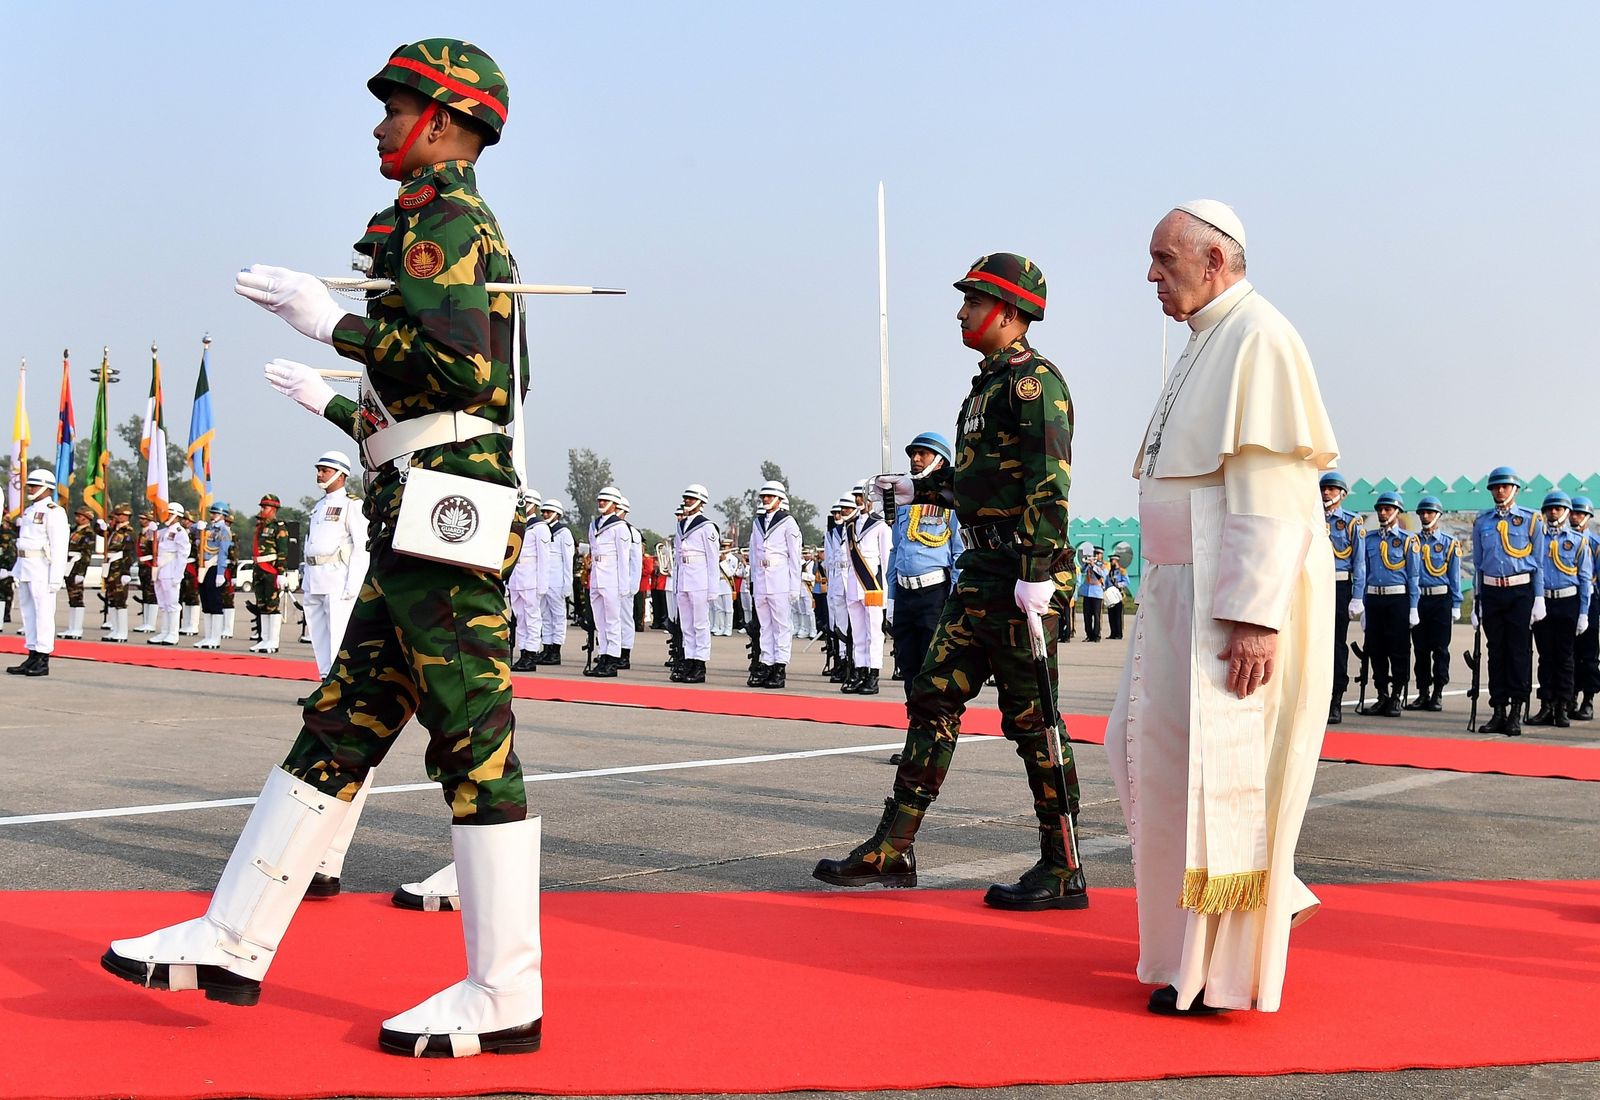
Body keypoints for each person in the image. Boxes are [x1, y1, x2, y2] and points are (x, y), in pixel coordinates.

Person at [102, 39, 545, 1059]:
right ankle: (232, 935)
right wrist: (347, 399)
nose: (380, 126)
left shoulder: (450, 222)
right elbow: (422, 392)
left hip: (447, 503)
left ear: (444, 119)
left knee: (471, 731)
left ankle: (503, 988)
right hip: (413, 493)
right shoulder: (425, 224)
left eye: (396, 109)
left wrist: (334, 327)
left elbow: (465, 377)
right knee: (341, 721)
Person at [1107, 201, 1338, 1015]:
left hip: (1226, 602)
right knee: (1135, 756)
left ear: (1217, 261)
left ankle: (1212, 976)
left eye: (1165, 260)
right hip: (1177, 592)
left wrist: (1252, 615)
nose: (1151, 276)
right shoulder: (1208, 339)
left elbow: (1268, 494)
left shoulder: (1259, 337)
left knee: (1218, 782)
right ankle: (1233, 923)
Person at [815, 252, 1085, 911]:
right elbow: (975, 483)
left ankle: (1063, 866)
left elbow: (1048, 488)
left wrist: (1039, 576)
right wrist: (917, 489)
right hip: (979, 575)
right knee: (933, 693)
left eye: (972, 301)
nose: (960, 311)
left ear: (1011, 313)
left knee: (1035, 723)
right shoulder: (985, 389)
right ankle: (894, 846)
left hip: (1021, 575)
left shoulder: (1035, 385)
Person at [886, 431, 963, 695]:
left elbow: (958, 556)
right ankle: (915, 720)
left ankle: (933, 724)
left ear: (940, 461)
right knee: (908, 664)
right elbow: (896, 551)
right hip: (906, 594)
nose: (915, 459)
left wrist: (953, 601)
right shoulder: (904, 499)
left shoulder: (951, 501)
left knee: (933, 665)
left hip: (934, 593)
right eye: (913, 454)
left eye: (923, 454)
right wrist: (892, 599)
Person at [1471, 467, 1545, 736]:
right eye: (1495, 487)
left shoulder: (1531, 520)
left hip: (1520, 591)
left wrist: (1539, 598)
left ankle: (1516, 710)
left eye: (1504, 486)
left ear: (1515, 490)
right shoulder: (1482, 522)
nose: (1499, 491)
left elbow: (1539, 564)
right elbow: (1478, 565)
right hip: (1492, 591)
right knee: (1495, 653)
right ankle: (1498, 710)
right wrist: (1477, 601)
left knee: (1518, 652)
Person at [301, 451, 370, 679]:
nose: (319, 475)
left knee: (337, 636)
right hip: (314, 577)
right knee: (318, 635)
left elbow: (362, 546)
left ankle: (337, 685)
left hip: (337, 580)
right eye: (318, 470)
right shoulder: (318, 506)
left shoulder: (352, 505)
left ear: (341, 475)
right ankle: (324, 681)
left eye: (325, 471)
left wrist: (354, 584)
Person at [1527, 491, 1591, 728]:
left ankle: (1563, 706)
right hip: (1542, 602)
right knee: (1545, 657)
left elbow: (1585, 579)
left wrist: (1583, 612)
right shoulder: (1535, 538)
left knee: (1565, 658)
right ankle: (1546, 705)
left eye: (1558, 509)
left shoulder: (1578, 541)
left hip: (1567, 602)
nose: (1553, 512)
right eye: (1549, 509)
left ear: (1566, 512)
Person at [1356, 491, 1420, 717]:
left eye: (1388, 509)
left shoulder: (1408, 540)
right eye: (1380, 509)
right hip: (1374, 598)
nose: (1383, 513)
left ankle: (1397, 694)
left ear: (1398, 512)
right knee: (1376, 649)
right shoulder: (1368, 538)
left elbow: (1413, 576)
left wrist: (1413, 606)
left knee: (1399, 649)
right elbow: (1363, 573)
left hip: (1397, 599)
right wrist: (1362, 603)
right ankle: (1381, 693)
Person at [6, 469, 69, 676]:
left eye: (33, 486)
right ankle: (32, 653)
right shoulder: (29, 511)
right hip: (26, 567)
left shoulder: (54, 512)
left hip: (43, 569)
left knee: (43, 613)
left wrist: (56, 578)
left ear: (45, 487)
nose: (29, 489)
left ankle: (43, 658)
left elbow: (59, 547)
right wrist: (16, 570)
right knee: (28, 612)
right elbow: (23, 543)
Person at [1403, 495, 1461, 712]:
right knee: (1420, 648)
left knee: (1440, 648)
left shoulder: (1449, 543)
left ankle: (1437, 692)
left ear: (1438, 515)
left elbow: (1454, 576)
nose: (1425, 516)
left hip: (1441, 599)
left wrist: (1456, 603)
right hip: (1419, 600)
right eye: (1421, 513)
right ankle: (1422, 692)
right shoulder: (1412, 542)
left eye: (1429, 513)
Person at [747, 480, 802, 688]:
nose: (766, 499)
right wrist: (753, 580)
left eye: (770, 496)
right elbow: (753, 553)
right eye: (764, 496)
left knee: (781, 626)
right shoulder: (757, 522)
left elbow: (795, 557)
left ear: (780, 499)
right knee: (765, 627)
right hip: (761, 578)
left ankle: (780, 667)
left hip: (780, 579)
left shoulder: (788, 522)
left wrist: (794, 586)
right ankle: (766, 664)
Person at [1321, 471, 1366, 724]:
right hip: (1316, 586)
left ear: (1342, 494)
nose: (1326, 492)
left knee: (1337, 644)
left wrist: (1357, 596)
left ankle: (1335, 698)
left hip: (1340, 587)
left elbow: (1359, 563)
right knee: (1315, 643)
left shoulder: (1352, 522)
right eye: (1324, 488)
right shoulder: (1312, 518)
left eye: (1332, 488)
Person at [840, 481, 892, 694]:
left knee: (874, 633)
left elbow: (887, 560)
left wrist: (888, 595)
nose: (859, 500)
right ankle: (859, 671)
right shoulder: (850, 525)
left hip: (873, 586)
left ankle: (873, 674)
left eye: (862, 496)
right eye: (857, 496)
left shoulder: (880, 526)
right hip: (854, 585)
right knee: (859, 633)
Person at [672, 484, 718, 683]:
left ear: (701, 502)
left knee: (700, 624)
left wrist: (712, 589)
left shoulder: (707, 527)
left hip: (700, 580)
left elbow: (712, 559)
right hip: (684, 579)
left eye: (691, 498)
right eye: (686, 498)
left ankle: (700, 664)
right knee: (687, 625)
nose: (687, 501)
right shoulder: (681, 525)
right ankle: (688, 661)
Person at [585, 486, 629, 677]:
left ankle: (612, 659)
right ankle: (603, 655)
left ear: (615, 504)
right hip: (596, 576)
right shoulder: (594, 525)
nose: (601, 503)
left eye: (606, 500)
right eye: (600, 500)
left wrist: (623, 585)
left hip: (612, 578)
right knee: (600, 621)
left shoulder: (620, 527)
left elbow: (623, 558)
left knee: (612, 621)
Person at [248, 494, 290, 654]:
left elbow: (283, 551)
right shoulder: (261, 526)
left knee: (272, 606)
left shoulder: (279, 526)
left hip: (271, 569)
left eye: (265, 507)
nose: (262, 510)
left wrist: (281, 572)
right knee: (262, 605)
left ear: (273, 509)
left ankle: (273, 641)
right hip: (259, 568)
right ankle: (264, 639)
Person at [1570, 497, 1600, 721]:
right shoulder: (1563, 540)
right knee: (1567, 652)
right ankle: (1568, 695)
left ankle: (1588, 699)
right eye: (1573, 513)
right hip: (1567, 600)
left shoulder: (1596, 545)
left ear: (1588, 517)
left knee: (1588, 653)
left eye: (1580, 514)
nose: (1575, 517)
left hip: (1590, 602)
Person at [144, 504, 191, 648]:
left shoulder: (180, 532)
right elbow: (148, 538)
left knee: (172, 604)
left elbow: (183, 554)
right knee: (163, 604)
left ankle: (173, 633)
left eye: (168, 513)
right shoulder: (163, 530)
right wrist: (150, 529)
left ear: (176, 515)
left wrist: (178, 574)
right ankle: (164, 631)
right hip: (160, 569)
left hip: (171, 569)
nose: (165, 516)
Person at [509, 489, 545, 671]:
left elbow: (544, 558)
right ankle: (523, 652)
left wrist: (542, 584)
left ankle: (531, 653)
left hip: (531, 577)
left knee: (531, 617)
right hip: (517, 576)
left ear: (534, 505)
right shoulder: (517, 524)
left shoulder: (540, 528)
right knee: (520, 617)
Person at [536, 499, 574, 666]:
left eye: (548, 512)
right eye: (543, 512)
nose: (545, 514)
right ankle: (547, 646)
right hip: (544, 579)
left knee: (558, 616)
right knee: (544, 615)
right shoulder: (541, 530)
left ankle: (556, 650)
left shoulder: (563, 532)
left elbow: (568, 560)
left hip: (557, 579)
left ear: (557, 514)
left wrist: (568, 583)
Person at [193, 502, 234, 650]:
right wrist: (198, 527)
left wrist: (221, 573)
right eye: (212, 513)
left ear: (223, 515)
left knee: (215, 602)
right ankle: (207, 636)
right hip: (203, 566)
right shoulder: (208, 528)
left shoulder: (224, 531)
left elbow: (223, 552)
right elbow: (193, 531)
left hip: (214, 565)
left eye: (215, 514)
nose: (212, 516)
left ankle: (215, 638)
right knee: (206, 601)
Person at [101, 503, 137, 642]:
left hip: (120, 568)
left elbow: (129, 553)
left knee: (120, 600)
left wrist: (126, 571)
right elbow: (100, 532)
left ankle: (122, 631)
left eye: (120, 515)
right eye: (116, 515)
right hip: (111, 567)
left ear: (127, 516)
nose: (117, 517)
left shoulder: (128, 532)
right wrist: (100, 526)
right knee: (112, 599)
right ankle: (115, 629)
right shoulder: (114, 531)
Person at [60, 505, 97, 640]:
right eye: (77, 515)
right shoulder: (74, 530)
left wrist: (81, 572)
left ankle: (77, 629)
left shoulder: (88, 533)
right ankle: (71, 627)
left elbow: (86, 554)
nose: (78, 518)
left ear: (87, 518)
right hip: (69, 564)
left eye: (81, 516)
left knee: (77, 597)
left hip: (77, 565)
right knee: (72, 597)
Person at [615, 496, 643, 669]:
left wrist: (633, 584)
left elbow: (635, 561)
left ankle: (624, 653)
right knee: (610, 620)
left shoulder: (631, 532)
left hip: (625, 583)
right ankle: (612, 652)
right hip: (611, 582)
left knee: (625, 619)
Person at [1078, 547, 1106, 641]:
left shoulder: (1104, 565)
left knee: (1097, 615)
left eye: (1098, 554)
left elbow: (1103, 574)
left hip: (1097, 593)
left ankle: (1096, 635)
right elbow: (1082, 571)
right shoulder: (1089, 565)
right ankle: (1089, 635)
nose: (1096, 556)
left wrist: (1093, 565)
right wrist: (1087, 564)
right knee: (1087, 615)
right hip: (1087, 592)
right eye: (1095, 554)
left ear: (1101, 555)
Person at [713, 538, 737, 636]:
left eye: (725, 547)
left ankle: (728, 628)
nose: (723, 548)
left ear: (730, 547)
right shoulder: (716, 557)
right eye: (722, 546)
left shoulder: (733, 559)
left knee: (728, 609)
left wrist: (723, 562)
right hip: (718, 584)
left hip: (727, 584)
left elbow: (730, 573)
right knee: (719, 608)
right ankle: (721, 627)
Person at [1105, 556, 1129, 640]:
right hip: (1110, 595)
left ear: (1117, 561)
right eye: (1111, 560)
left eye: (1113, 560)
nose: (1111, 562)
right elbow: (1107, 582)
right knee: (1111, 615)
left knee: (1118, 615)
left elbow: (1126, 582)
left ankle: (1119, 633)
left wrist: (1118, 585)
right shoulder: (1110, 572)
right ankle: (1113, 633)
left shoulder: (1122, 571)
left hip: (1117, 594)